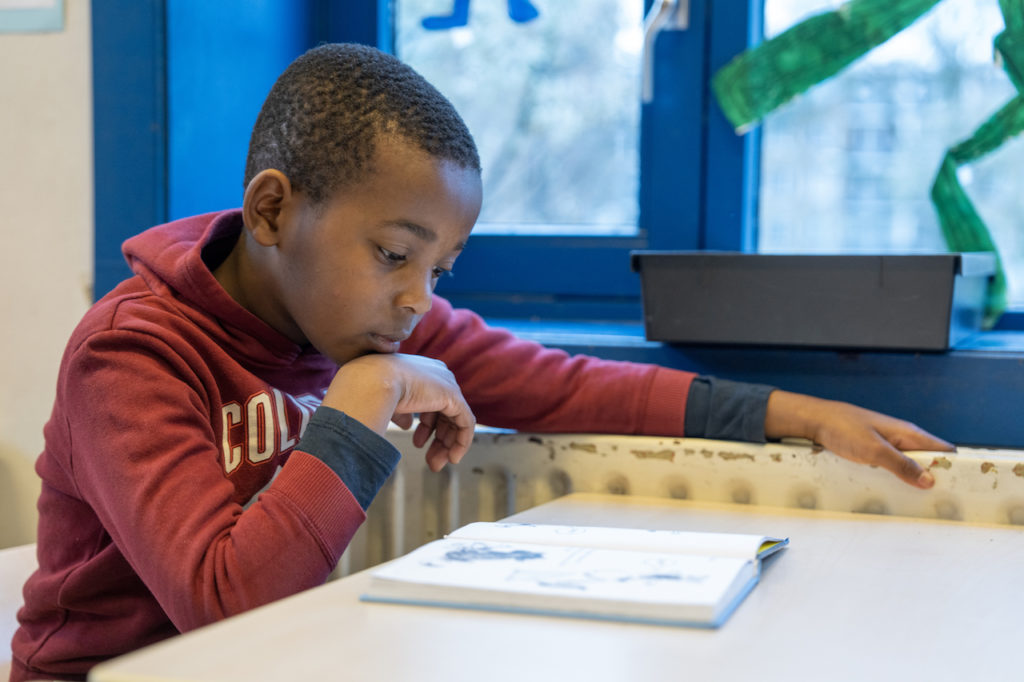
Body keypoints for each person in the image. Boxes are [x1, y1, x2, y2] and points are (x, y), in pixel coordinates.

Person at [10, 43, 952, 682]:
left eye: (439, 269)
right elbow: (226, 601)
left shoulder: (362, 319)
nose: (418, 299)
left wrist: (794, 411)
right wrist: (366, 398)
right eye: (393, 254)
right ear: (270, 212)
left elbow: (562, 383)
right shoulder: (131, 354)